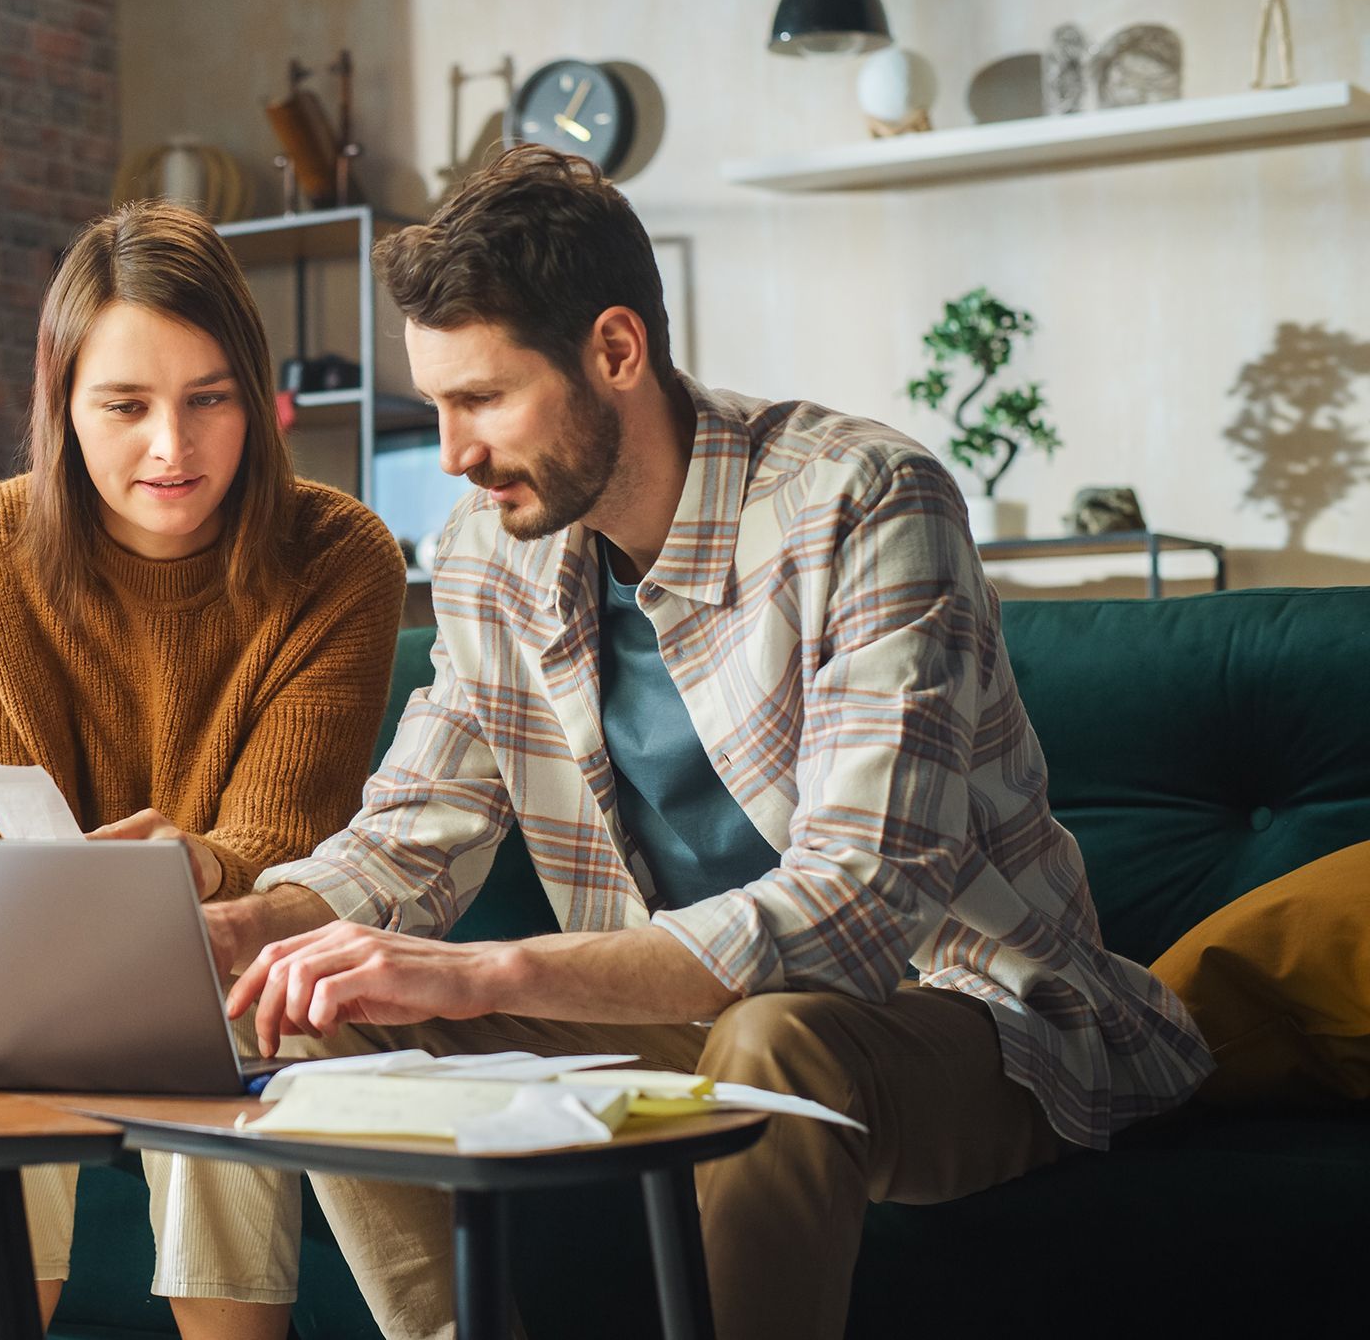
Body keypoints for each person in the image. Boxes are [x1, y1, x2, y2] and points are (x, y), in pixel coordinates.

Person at [180, 146, 1214, 1339]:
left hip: (961, 1012)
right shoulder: (486, 553)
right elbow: (412, 835)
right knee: (309, 996)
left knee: (773, 1038)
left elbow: (858, 902)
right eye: (437, 403)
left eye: (484, 399)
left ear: (616, 351)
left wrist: (496, 966)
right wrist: (248, 926)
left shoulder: (867, 500)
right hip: (675, 1020)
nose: (452, 451)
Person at [0, 200, 405, 1339]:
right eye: (126, 405)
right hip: (32, 969)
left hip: (241, 956)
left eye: (210, 399)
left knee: (225, 1021)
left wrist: (196, 864)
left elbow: (288, 843)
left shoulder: (340, 553)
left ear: (257, 401)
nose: (173, 445)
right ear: (64, 404)